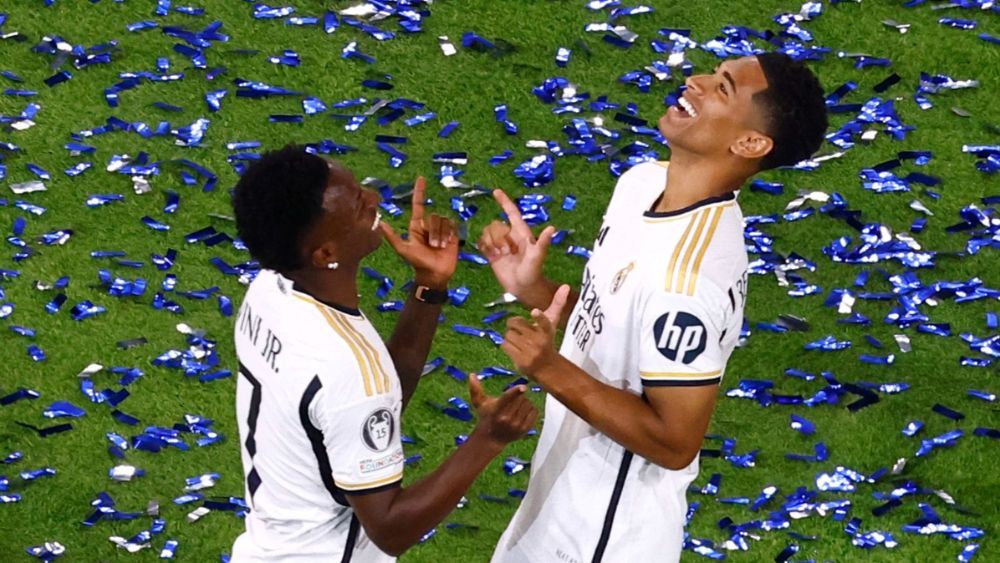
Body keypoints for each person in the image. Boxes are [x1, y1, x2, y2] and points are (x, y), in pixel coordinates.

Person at [479, 53, 828, 562]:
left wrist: (547, 367)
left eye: (723, 88)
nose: (696, 81)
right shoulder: (642, 183)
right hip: (561, 495)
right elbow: (623, 324)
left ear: (751, 143)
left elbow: (674, 440)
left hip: (604, 535)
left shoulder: (690, 280)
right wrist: (535, 290)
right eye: (714, 72)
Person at [229, 145, 538, 562]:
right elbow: (390, 528)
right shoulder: (341, 364)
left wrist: (429, 286)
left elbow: (369, 398)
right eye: (357, 205)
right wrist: (487, 439)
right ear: (325, 254)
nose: (374, 198)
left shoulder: (267, 291)